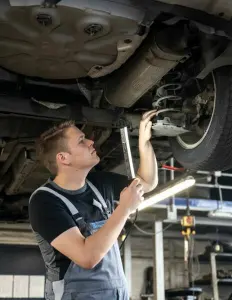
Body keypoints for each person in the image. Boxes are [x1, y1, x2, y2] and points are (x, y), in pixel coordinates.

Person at [29, 110, 158, 300]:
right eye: (81, 140)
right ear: (63, 158)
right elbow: (86, 257)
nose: (91, 142)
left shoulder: (99, 183)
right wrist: (124, 209)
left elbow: (147, 182)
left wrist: (144, 142)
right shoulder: (45, 201)